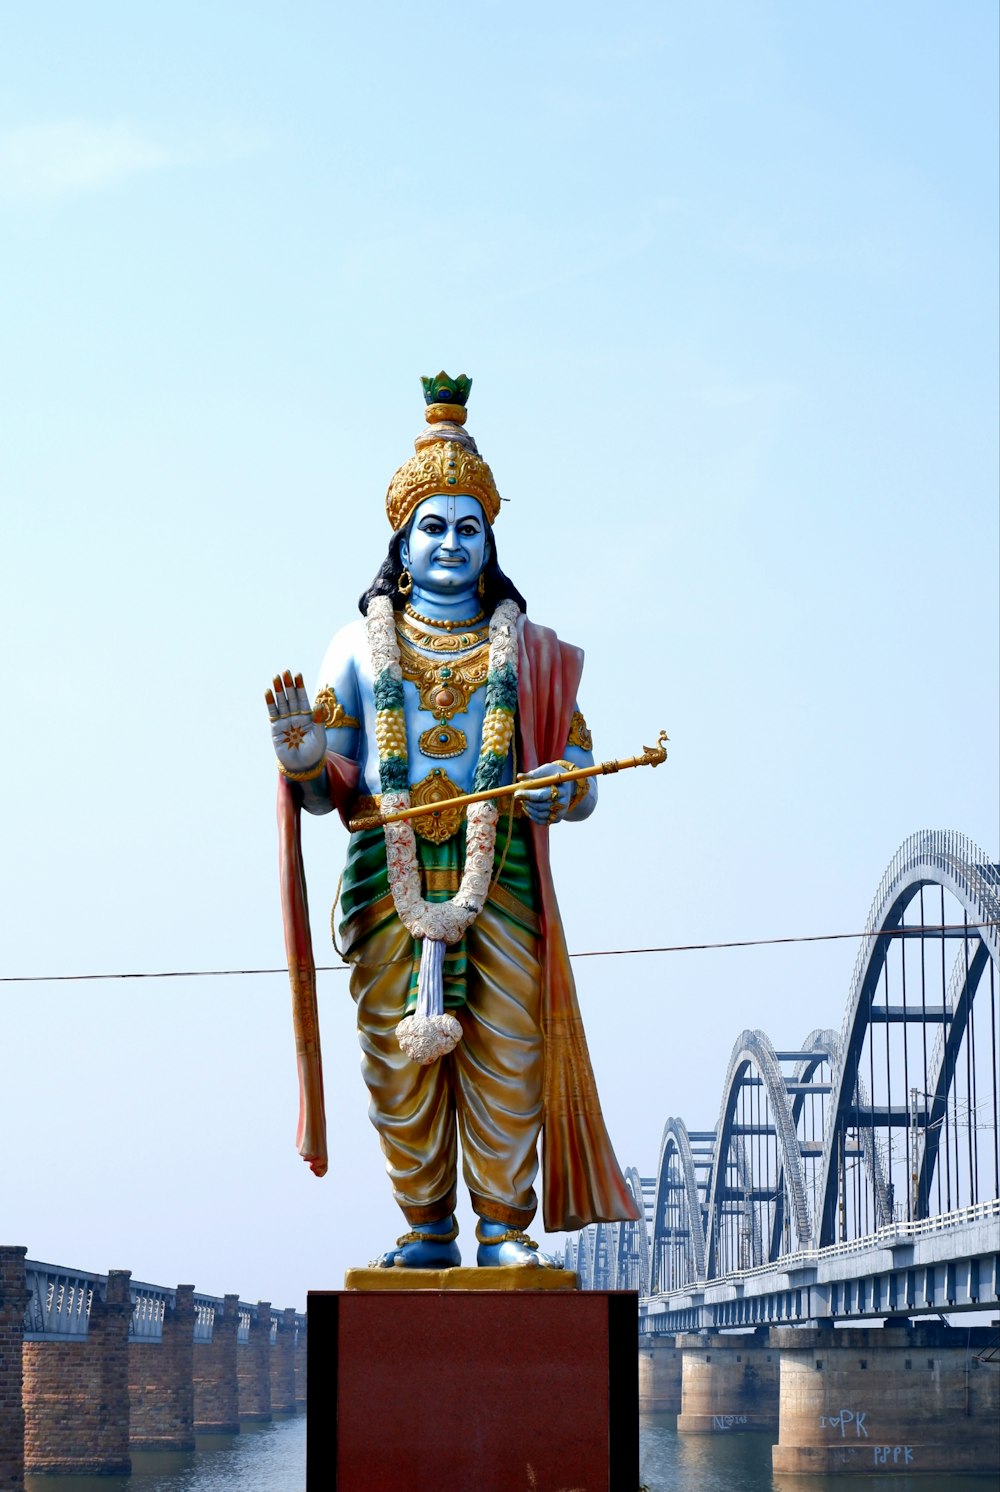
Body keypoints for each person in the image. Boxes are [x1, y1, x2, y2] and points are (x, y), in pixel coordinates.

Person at [267, 373, 638, 1268]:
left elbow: (579, 774)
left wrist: (566, 785)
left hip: (500, 876)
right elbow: (331, 792)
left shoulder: (532, 650)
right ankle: (427, 1229)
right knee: (401, 1069)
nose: (450, 544)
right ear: (401, 539)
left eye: (468, 528)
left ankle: (504, 1229)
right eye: (432, 526)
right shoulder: (357, 645)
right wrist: (304, 756)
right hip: (386, 881)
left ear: (489, 541)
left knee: (506, 1054)